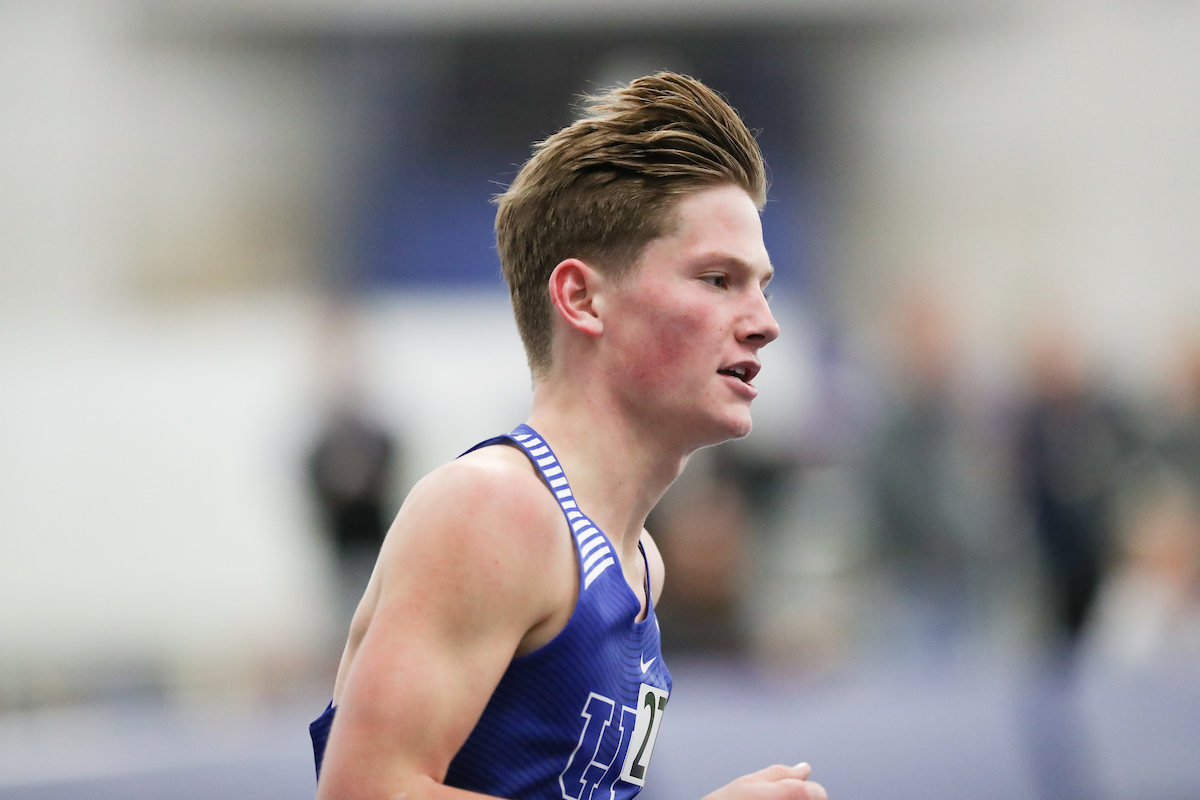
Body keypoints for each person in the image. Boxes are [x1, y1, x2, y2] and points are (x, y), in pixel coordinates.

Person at [311, 72, 827, 800]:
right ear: (582, 298)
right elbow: (364, 794)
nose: (763, 321)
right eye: (718, 279)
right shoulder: (495, 510)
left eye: (763, 286)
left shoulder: (639, 560)